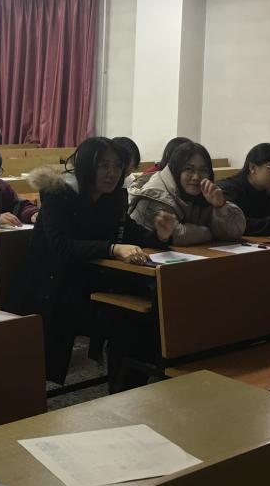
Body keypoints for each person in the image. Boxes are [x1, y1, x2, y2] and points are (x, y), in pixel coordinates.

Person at [25, 137, 177, 385]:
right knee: (127, 325)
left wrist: (160, 235)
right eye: (103, 165)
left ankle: (131, 390)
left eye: (117, 166)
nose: (112, 173)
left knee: (148, 318)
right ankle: (124, 391)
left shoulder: (113, 196)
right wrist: (112, 249)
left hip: (94, 282)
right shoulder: (58, 193)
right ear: (87, 166)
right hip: (55, 288)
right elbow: (62, 247)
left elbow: (129, 231)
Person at [129, 141, 245, 245]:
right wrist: (210, 232)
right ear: (176, 170)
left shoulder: (206, 193)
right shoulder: (155, 194)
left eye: (203, 170)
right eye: (188, 169)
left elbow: (235, 232)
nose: (196, 177)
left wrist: (221, 206)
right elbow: (177, 235)